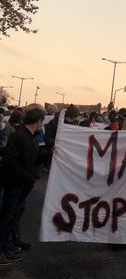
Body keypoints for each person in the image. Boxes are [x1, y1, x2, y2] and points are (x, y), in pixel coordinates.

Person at [0, 104, 51, 264]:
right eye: (42, 120)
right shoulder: (19, 136)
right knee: (6, 217)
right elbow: (10, 161)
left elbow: (33, 160)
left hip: (22, 185)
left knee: (15, 215)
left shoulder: (30, 137)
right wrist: (26, 176)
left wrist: (49, 152)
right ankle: (2, 250)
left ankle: (10, 243)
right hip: (14, 185)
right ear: (38, 121)